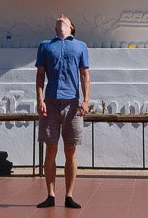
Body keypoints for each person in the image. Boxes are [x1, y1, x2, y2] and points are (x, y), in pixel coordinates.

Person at [35, 14, 89, 209]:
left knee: (70, 150)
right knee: (50, 148)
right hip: (50, 102)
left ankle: (69, 195)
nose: (61, 16)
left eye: (66, 17)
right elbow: (40, 75)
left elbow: (85, 74)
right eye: (59, 17)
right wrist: (39, 99)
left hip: (72, 103)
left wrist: (85, 100)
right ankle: (50, 195)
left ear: (71, 27)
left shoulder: (81, 46)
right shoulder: (45, 45)